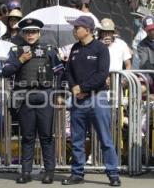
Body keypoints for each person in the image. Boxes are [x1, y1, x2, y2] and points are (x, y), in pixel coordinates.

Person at [2, 18, 64, 184]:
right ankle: (26, 171)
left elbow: (60, 72)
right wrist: (20, 60)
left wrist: (59, 94)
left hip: (45, 95)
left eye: (33, 31)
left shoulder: (49, 50)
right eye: (27, 32)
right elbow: (6, 71)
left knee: (46, 136)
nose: (30, 35)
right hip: (24, 97)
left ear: (39, 33)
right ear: (23, 33)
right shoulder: (16, 51)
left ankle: (49, 171)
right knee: (28, 137)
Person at [61, 16, 121, 186]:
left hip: (97, 98)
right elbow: (68, 72)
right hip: (78, 99)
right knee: (77, 139)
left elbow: (102, 75)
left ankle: (113, 174)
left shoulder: (101, 48)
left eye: (77, 28)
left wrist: (82, 88)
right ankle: (77, 173)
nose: (74, 30)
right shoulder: (75, 48)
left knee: (105, 138)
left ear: (87, 30)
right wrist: (74, 88)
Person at [138, 15, 154, 81]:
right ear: (145, 30)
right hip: (150, 75)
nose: (152, 31)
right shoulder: (141, 45)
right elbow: (145, 62)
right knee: (142, 87)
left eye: (153, 28)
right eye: (149, 30)